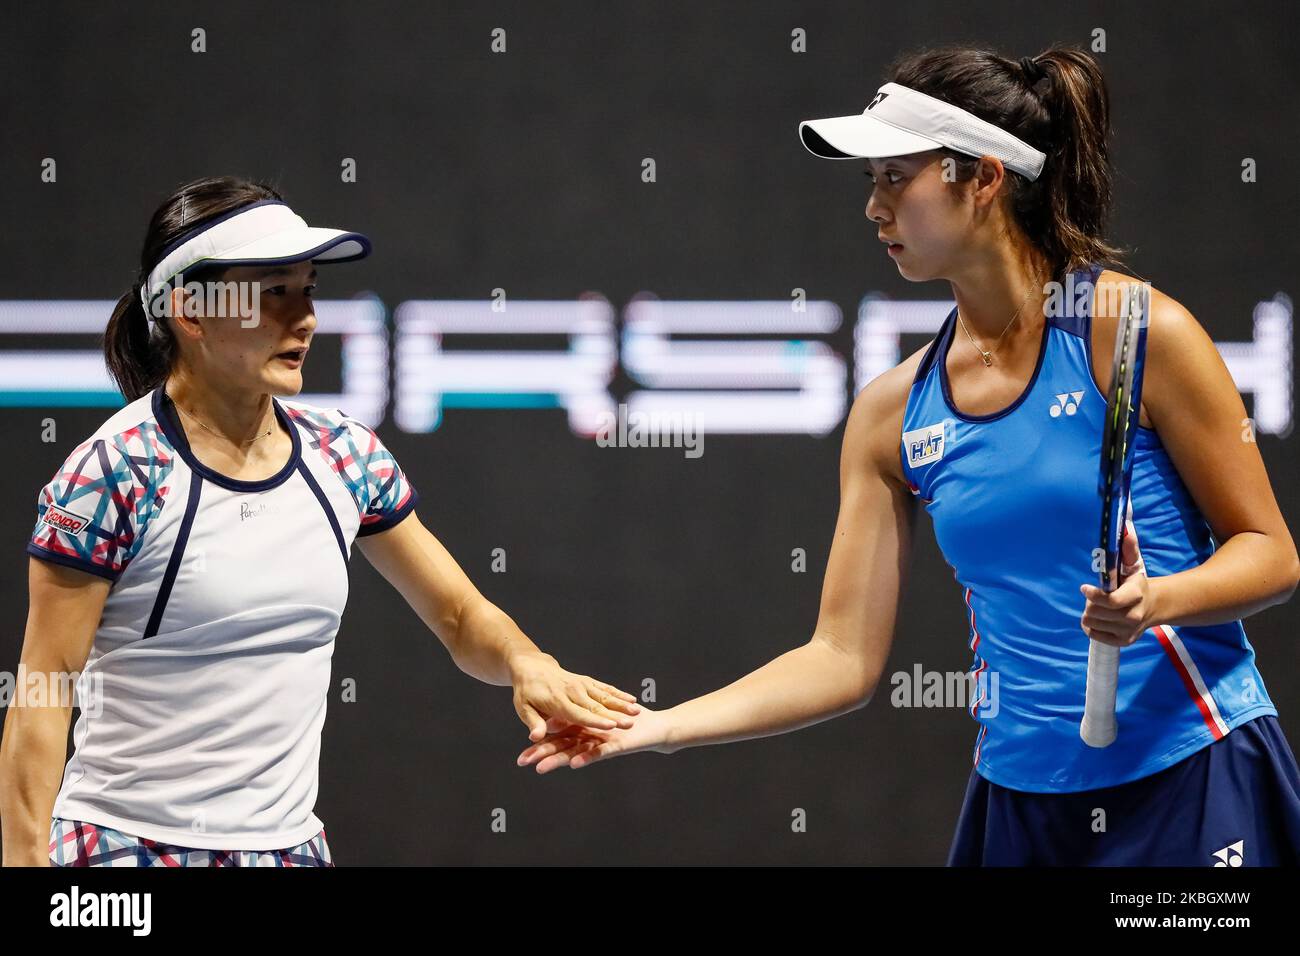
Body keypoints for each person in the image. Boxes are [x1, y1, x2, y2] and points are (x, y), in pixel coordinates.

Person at [517, 46, 1300, 866]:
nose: (875, 209)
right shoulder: (891, 413)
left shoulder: (1136, 334)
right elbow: (841, 657)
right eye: (871, 182)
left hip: (1193, 780)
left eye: (897, 176)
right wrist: (663, 727)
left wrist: (1157, 600)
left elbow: (1271, 555)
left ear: (984, 177)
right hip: (1020, 806)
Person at [0, 175, 639, 867]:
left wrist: (526, 662)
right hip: (122, 849)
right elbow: (42, 689)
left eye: (308, 290)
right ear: (189, 310)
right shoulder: (112, 473)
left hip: (291, 851)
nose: (304, 317)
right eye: (274, 292)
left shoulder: (345, 454)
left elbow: (458, 616)